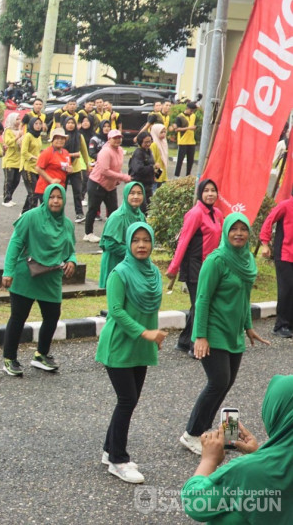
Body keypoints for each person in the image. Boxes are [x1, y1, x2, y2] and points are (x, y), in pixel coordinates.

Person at [179, 213, 273, 456]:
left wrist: (248, 325)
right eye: (234, 229)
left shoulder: (246, 261)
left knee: (226, 383)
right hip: (213, 330)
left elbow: (244, 297)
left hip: (234, 333)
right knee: (218, 381)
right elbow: (202, 298)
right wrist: (199, 336)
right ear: (226, 232)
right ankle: (191, 434)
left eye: (244, 229)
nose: (239, 233)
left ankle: (204, 432)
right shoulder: (216, 260)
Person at [96, 221, 166, 485]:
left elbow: (151, 308)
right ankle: (118, 459)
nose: (141, 245)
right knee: (127, 399)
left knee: (130, 400)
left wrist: (153, 334)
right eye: (135, 240)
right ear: (128, 242)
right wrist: (146, 333)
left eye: (145, 240)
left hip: (140, 345)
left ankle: (108, 450)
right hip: (118, 346)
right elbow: (116, 311)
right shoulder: (120, 273)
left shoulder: (153, 273)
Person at [181, 375, 293, 524]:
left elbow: (195, 504)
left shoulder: (248, 471)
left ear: (275, 412)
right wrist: (258, 453)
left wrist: (209, 460)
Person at [1, 184, 77, 376]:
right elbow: (15, 243)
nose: (55, 201)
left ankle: (41, 355)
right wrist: (8, 271)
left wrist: (72, 261)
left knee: (52, 316)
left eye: (59, 197)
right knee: (18, 318)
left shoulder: (67, 224)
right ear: (45, 198)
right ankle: (9, 359)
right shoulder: (31, 216)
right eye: (51, 197)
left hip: (50, 277)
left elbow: (70, 250)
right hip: (26, 274)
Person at [168, 179, 224, 354]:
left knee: (198, 305)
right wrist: (173, 268)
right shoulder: (195, 213)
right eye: (206, 190)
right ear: (200, 193)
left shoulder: (218, 213)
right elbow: (183, 240)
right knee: (200, 305)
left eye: (213, 190)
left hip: (211, 267)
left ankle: (184, 341)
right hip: (194, 266)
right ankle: (194, 346)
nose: (209, 194)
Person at [84, 130, 131, 242]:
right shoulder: (105, 151)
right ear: (109, 139)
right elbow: (104, 171)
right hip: (97, 183)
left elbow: (117, 166)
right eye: (115, 138)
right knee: (93, 208)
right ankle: (88, 233)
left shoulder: (119, 150)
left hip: (110, 185)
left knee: (113, 210)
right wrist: (123, 177)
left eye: (119, 137)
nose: (117, 140)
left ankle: (113, 233)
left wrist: (117, 179)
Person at [98, 182, 147, 284]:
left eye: (139, 193)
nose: (136, 196)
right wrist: (134, 251)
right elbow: (110, 244)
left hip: (132, 263)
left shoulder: (140, 216)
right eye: (132, 193)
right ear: (126, 195)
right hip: (115, 263)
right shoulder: (118, 217)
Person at [259, 196, 293, 339]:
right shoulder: (285, 205)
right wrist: (265, 243)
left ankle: (289, 324)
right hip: (285, 254)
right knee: (287, 289)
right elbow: (269, 220)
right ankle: (280, 325)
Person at [62, 115, 90, 222]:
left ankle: (79, 213)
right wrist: (73, 154)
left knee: (77, 192)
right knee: (61, 191)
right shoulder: (61, 136)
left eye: (72, 123)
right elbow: (59, 153)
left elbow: (84, 151)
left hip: (76, 168)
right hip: (63, 168)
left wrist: (87, 164)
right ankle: (59, 213)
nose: (70, 125)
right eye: (68, 123)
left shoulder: (79, 136)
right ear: (65, 124)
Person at [34, 127, 70, 198]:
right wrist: (51, 180)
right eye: (57, 138)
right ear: (52, 140)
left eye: (62, 138)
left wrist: (70, 170)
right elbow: (38, 168)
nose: (60, 140)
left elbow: (64, 169)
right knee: (47, 209)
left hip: (59, 188)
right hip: (46, 188)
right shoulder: (48, 152)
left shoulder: (66, 153)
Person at [19, 117, 45, 211]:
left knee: (35, 192)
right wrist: (35, 157)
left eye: (40, 124)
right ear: (31, 125)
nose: (38, 126)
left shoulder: (38, 136)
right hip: (27, 167)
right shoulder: (28, 136)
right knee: (33, 193)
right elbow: (24, 152)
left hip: (36, 167)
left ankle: (24, 213)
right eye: (36, 124)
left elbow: (37, 150)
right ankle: (31, 214)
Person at [128, 132, 156, 213]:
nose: (148, 144)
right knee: (142, 209)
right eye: (146, 142)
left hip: (148, 185)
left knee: (150, 208)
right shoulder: (138, 153)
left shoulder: (149, 151)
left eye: (150, 141)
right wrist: (152, 167)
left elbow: (153, 166)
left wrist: (156, 173)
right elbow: (138, 169)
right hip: (139, 184)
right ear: (140, 142)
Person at [1, 113, 24, 207]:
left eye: (19, 119)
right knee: (9, 180)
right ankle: (5, 199)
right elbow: (8, 143)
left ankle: (10, 197)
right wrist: (17, 137)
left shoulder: (20, 131)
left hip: (18, 160)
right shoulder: (8, 131)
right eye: (17, 119)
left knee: (16, 180)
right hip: (9, 160)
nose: (19, 121)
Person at [174, 102, 199, 177]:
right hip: (183, 141)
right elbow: (177, 129)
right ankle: (176, 176)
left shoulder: (193, 116)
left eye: (193, 111)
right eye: (191, 111)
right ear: (187, 109)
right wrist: (189, 128)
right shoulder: (180, 117)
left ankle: (188, 175)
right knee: (180, 160)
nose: (192, 112)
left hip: (191, 141)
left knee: (190, 160)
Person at [150, 123, 169, 197]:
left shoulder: (164, 142)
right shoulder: (153, 144)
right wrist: (154, 173)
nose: (163, 134)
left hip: (162, 170)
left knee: (162, 193)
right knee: (154, 192)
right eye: (161, 132)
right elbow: (152, 159)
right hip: (157, 171)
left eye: (164, 132)